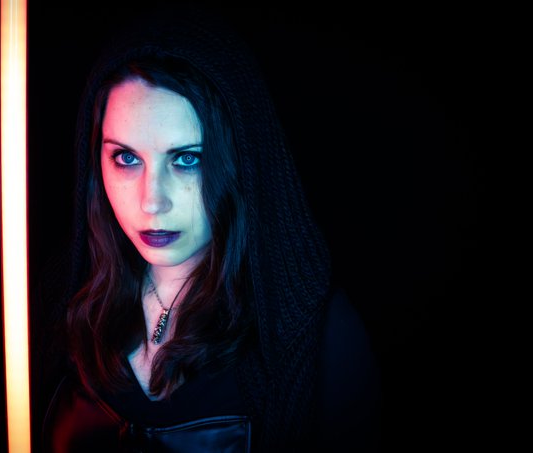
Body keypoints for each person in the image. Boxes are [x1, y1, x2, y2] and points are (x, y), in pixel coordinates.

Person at [34, 5, 380, 452]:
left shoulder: (320, 335)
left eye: (186, 159)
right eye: (126, 158)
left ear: (237, 160)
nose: (151, 201)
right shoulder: (58, 298)